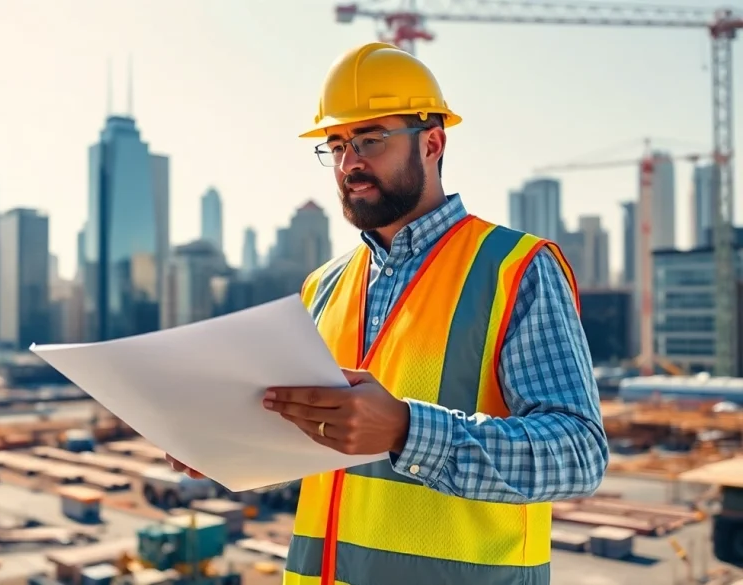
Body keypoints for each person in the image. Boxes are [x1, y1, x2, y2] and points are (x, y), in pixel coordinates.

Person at [167, 41, 608, 585]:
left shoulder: (515, 270)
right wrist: (227, 450)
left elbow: (579, 455)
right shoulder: (323, 287)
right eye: (336, 145)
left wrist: (404, 428)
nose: (350, 163)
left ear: (432, 142)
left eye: (370, 139)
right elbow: (309, 453)